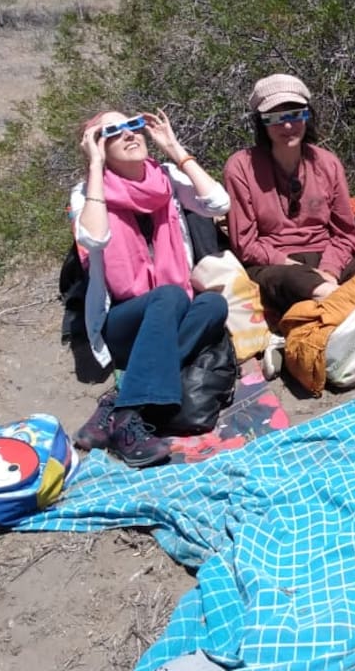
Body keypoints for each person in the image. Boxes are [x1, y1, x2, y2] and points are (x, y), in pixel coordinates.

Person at [71, 109, 230, 468]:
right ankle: (130, 423)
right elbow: (93, 237)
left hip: (168, 317)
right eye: (112, 132)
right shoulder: (87, 193)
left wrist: (175, 149)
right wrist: (94, 168)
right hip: (124, 322)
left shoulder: (167, 179)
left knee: (213, 307)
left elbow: (219, 204)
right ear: (98, 147)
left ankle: (119, 402)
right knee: (171, 296)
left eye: (132, 126)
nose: (128, 134)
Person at [224, 73, 355, 320]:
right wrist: (300, 268)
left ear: (307, 115)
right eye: (276, 118)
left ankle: (328, 308)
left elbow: (345, 234)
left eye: (295, 115)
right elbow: (245, 244)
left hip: (326, 257)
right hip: (277, 265)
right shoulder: (240, 167)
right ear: (262, 122)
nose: (288, 126)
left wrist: (329, 271)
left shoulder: (327, 163)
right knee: (297, 282)